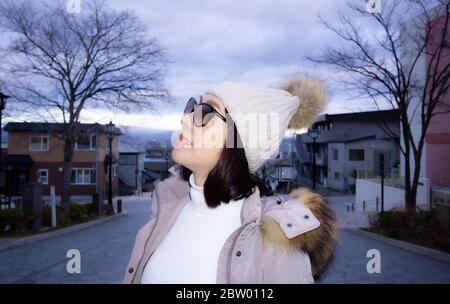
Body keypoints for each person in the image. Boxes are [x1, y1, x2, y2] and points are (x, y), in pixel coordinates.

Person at [123, 75, 337, 284]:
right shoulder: (166, 209)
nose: (185, 118)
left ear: (237, 142)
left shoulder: (276, 246)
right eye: (192, 106)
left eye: (206, 111)